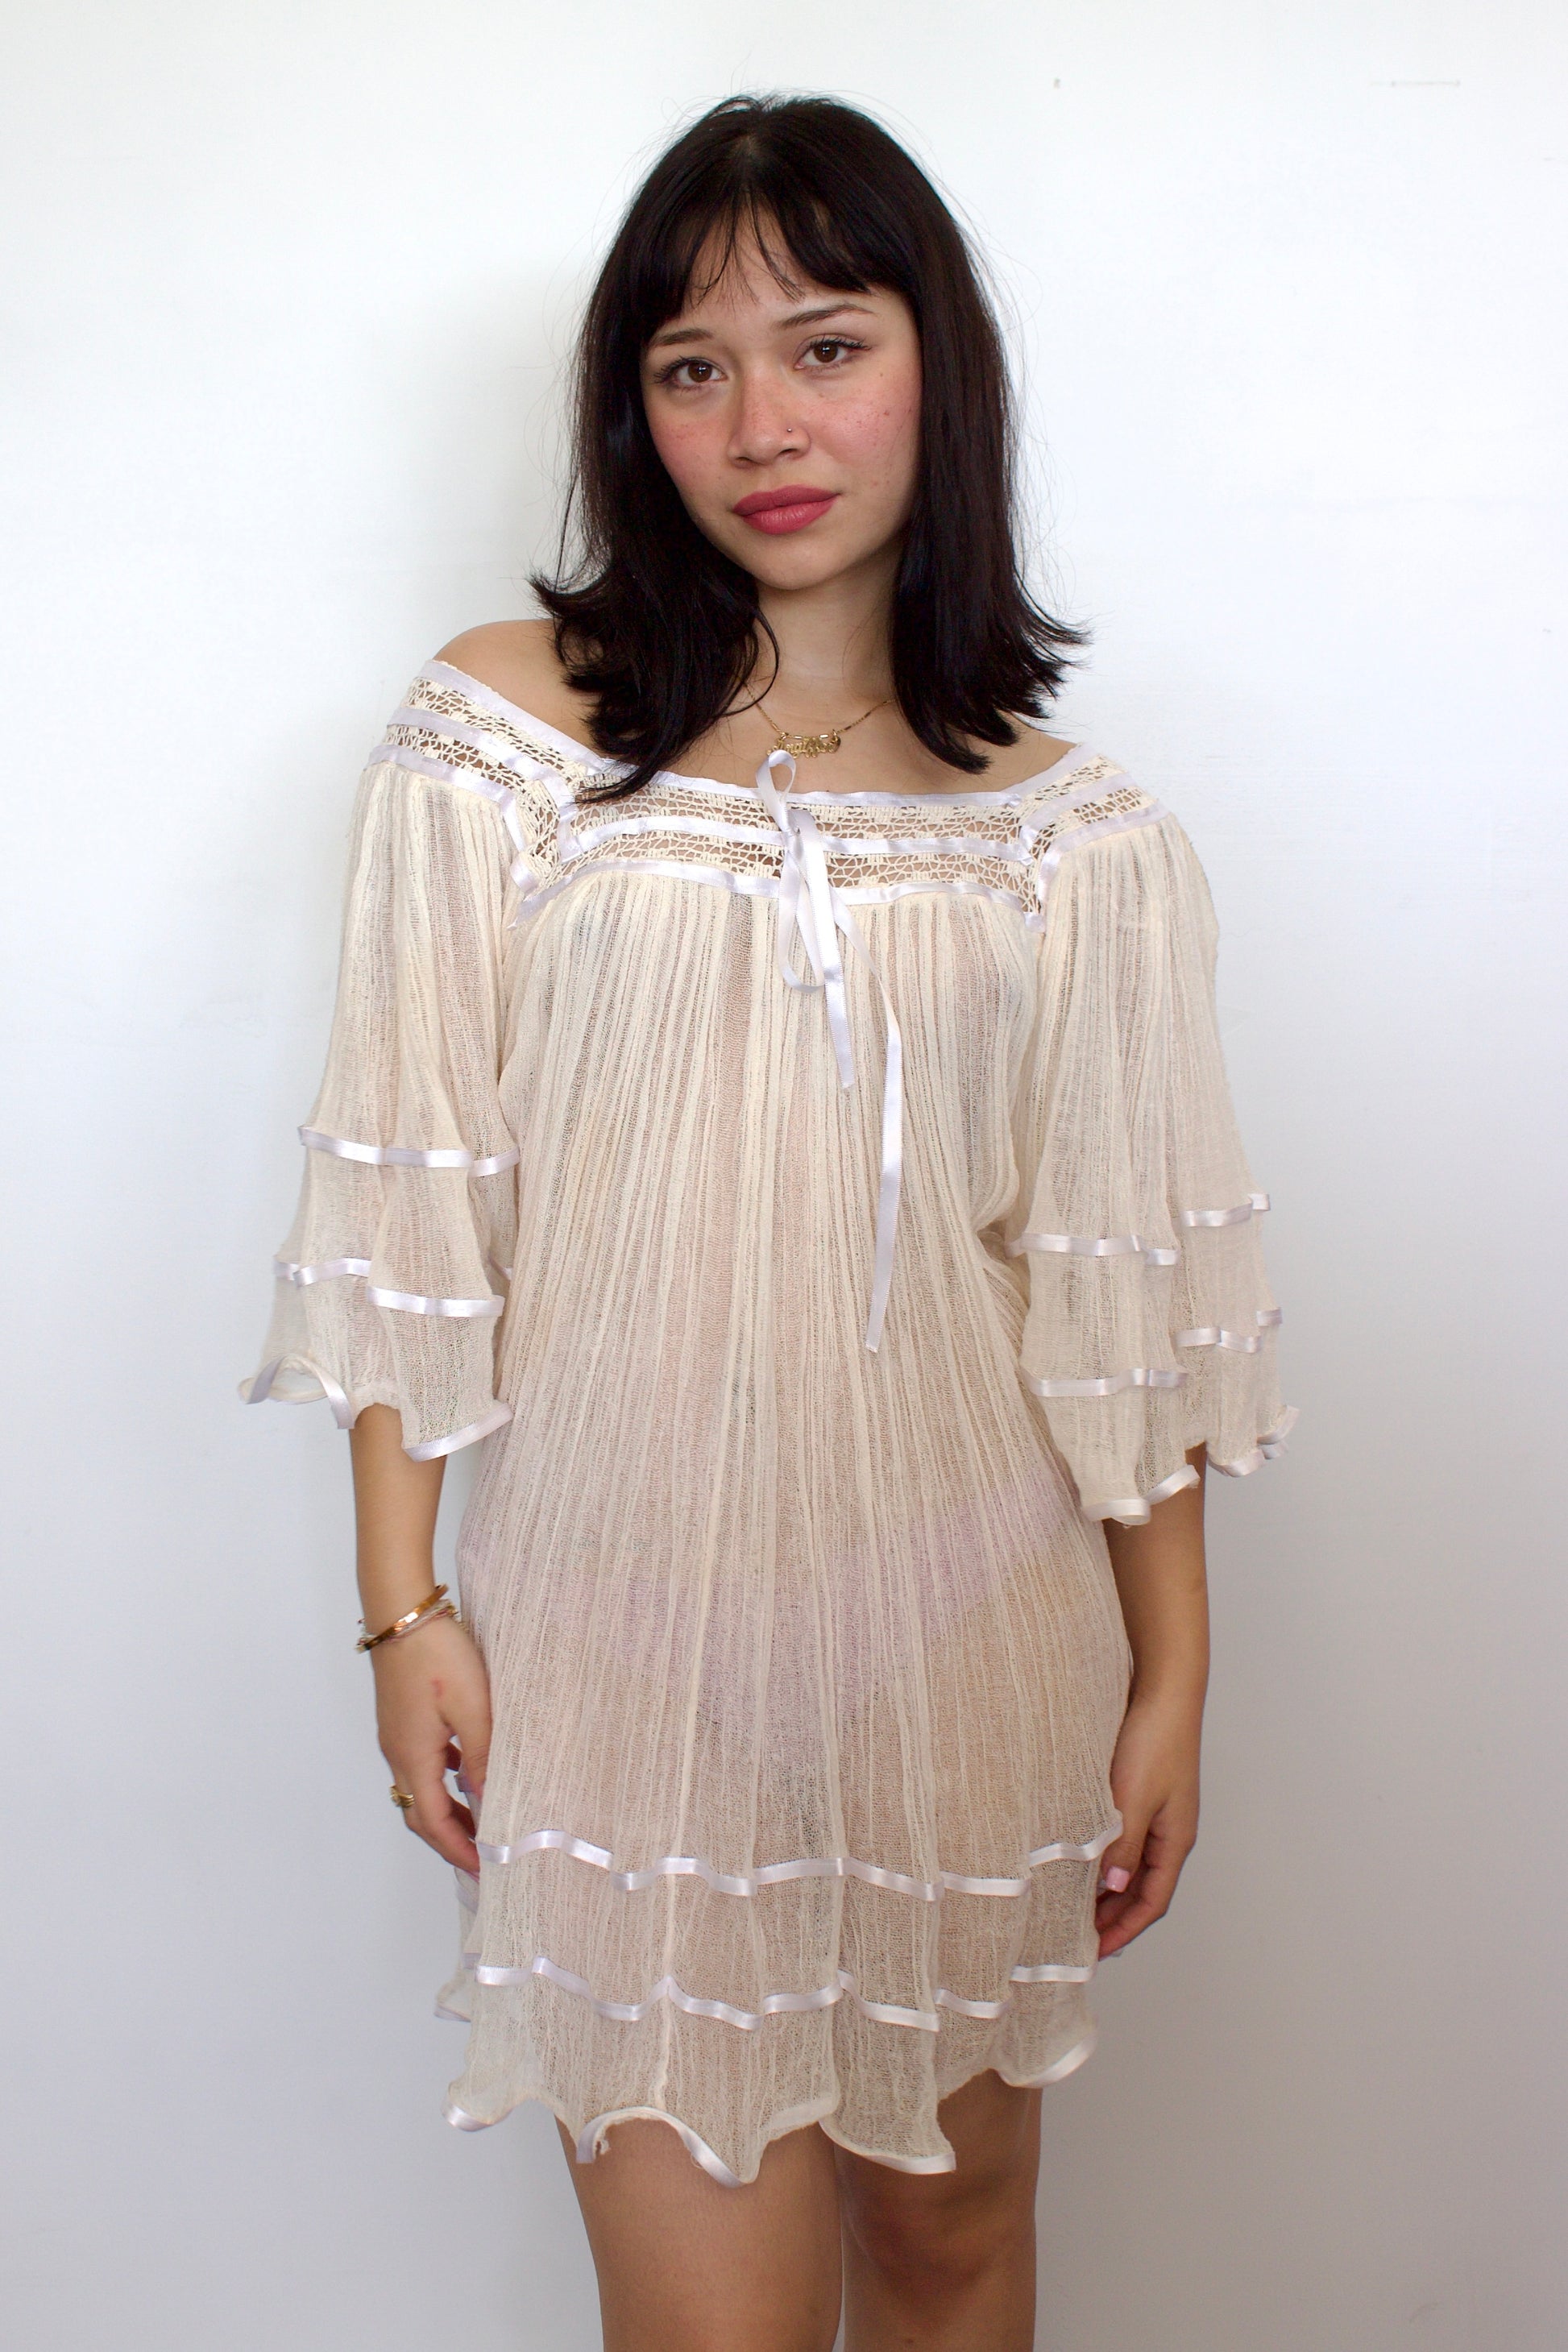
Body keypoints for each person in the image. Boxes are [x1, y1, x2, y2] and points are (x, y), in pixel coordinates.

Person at [243, 93, 1293, 2352]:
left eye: (825, 347)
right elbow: (412, 1188)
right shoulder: (503, 741)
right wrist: (402, 1601)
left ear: (936, 367)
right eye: (691, 367)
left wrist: (1174, 1675)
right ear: (631, 412)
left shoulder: (1079, 839)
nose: (763, 426)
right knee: (709, 2323)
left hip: (975, 1638)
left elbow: (1118, 1297)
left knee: (946, 2252)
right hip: (625, 1648)